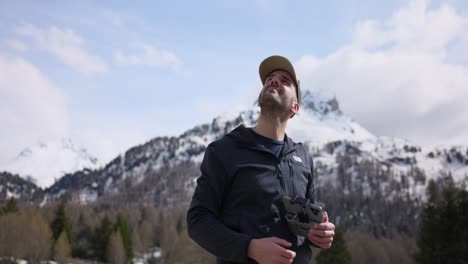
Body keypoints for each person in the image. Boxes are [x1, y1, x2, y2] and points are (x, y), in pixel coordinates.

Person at [187, 55, 335, 264]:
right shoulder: (224, 150)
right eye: (270, 78)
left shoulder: (303, 157)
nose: (274, 80)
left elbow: (307, 223)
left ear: (295, 107)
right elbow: (198, 221)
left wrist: (317, 234)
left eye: (285, 80)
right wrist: (249, 248)